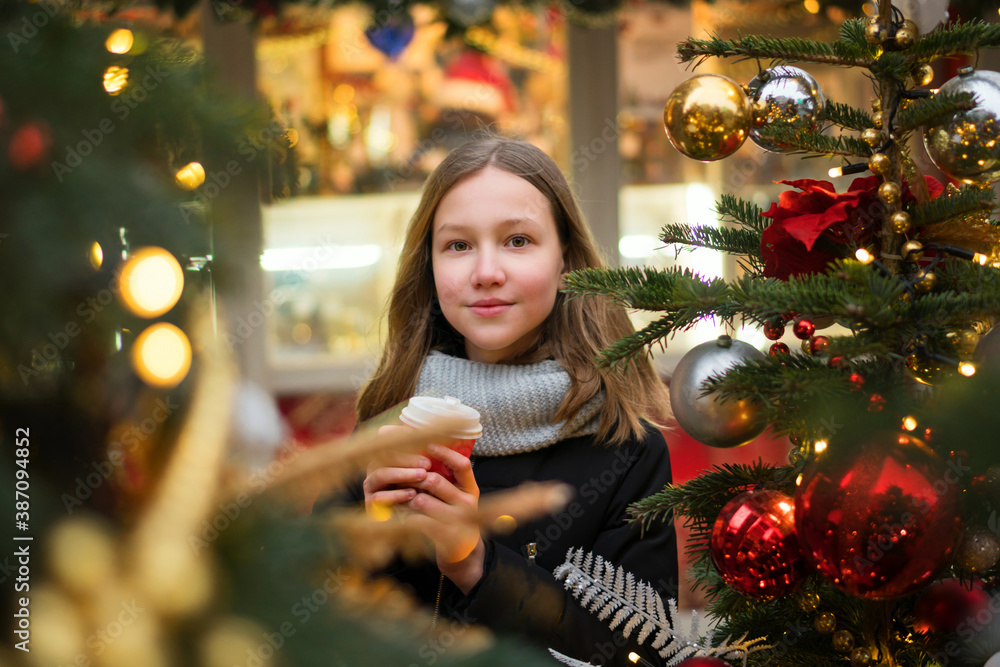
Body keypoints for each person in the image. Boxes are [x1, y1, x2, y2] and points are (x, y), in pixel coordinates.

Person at [352, 136, 677, 666]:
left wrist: (476, 564)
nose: (486, 272)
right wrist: (368, 547)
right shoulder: (385, 433)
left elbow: (641, 653)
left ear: (566, 260)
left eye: (518, 240)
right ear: (429, 270)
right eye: (458, 245)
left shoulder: (629, 451)